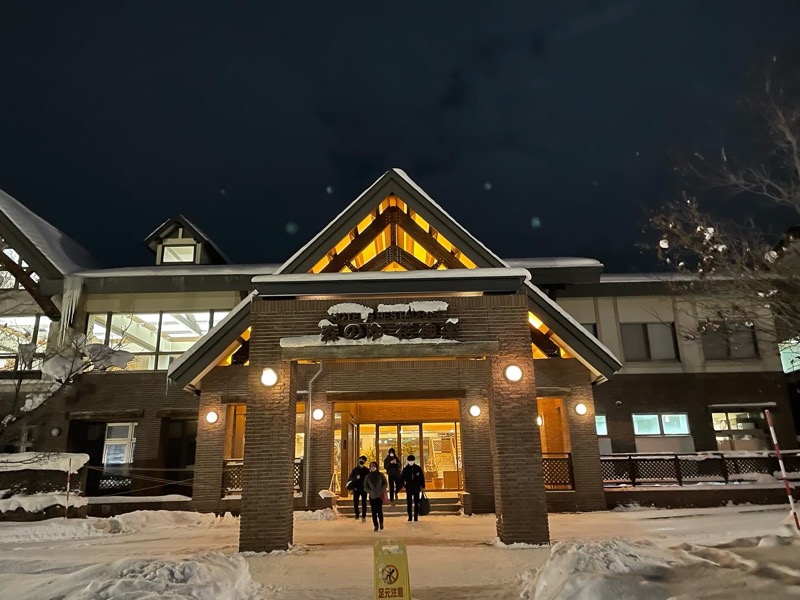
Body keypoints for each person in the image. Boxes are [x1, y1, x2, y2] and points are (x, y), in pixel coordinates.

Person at [364, 461, 388, 532]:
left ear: (376, 467)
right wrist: (369, 491)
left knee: (379, 510)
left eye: (374, 466)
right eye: (371, 467)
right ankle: (375, 525)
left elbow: (385, 483)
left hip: (379, 495)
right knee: (373, 512)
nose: (372, 468)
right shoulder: (368, 476)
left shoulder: (380, 475)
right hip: (372, 496)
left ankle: (381, 523)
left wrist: (381, 489)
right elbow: (365, 486)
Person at [401, 454, 425, 522]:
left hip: (416, 487)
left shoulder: (418, 468)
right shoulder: (406, 469)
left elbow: (421, 478)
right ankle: (410, 516)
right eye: (409, 461)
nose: (410, 462)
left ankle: (416, 516)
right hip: (409, 487)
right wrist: (403, 485)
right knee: (409, 503)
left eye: (412, 460)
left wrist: (423, 486)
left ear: (414, 461)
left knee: (416, 502)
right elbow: (402, 478)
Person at [347, 455, 369, 522]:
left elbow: (368, 479)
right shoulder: (355, 470)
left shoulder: (367, 470)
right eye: (360, 460)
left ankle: (363, 516)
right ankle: (357, 514)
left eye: (362, 460)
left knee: (364, 503)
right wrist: (356, 478)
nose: (361, 461)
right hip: (356, 488)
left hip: (363, 489)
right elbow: (350, 478)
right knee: (355, 502)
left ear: (364, 462)